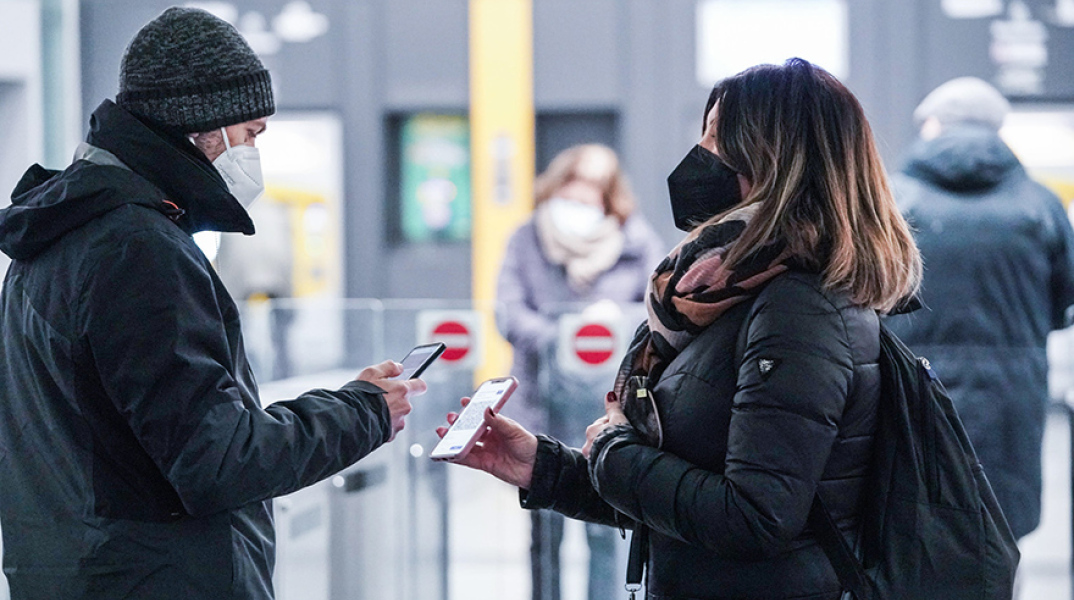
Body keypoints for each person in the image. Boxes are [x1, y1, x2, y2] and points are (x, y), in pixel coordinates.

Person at [443, 58, 922, 600]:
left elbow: (752, 519)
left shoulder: (799, 312)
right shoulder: (720, 294)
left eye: (716, 140)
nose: (700, 159)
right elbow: (685, 492)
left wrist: (614, 449)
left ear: (769, 160)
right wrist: (543, 467)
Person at [0, 7, 425, 599]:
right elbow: (219, 462)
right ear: (201, 125)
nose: (254, 152)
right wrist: (363, 413)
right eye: (250, 134)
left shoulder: (55, 236)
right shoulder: (138, 250)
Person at [885, 77, 1074, 545]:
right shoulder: (1041, 206)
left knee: (915, 532)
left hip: (912, 392)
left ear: (934, 125)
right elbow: (1063, 302)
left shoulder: (893, 201)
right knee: (999, 531)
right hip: (1010, 396)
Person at [496, 144, 664, 600]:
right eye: (573, 190)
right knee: (544, 533)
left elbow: (658, 312)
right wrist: (561, 337)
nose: (580, 202)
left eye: (593, 193)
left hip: (606, 408)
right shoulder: (526, 238)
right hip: (542, 406)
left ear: (611, 199)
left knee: (606, 531)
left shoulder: (637, 242)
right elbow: (509, 312)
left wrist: (614, 325)